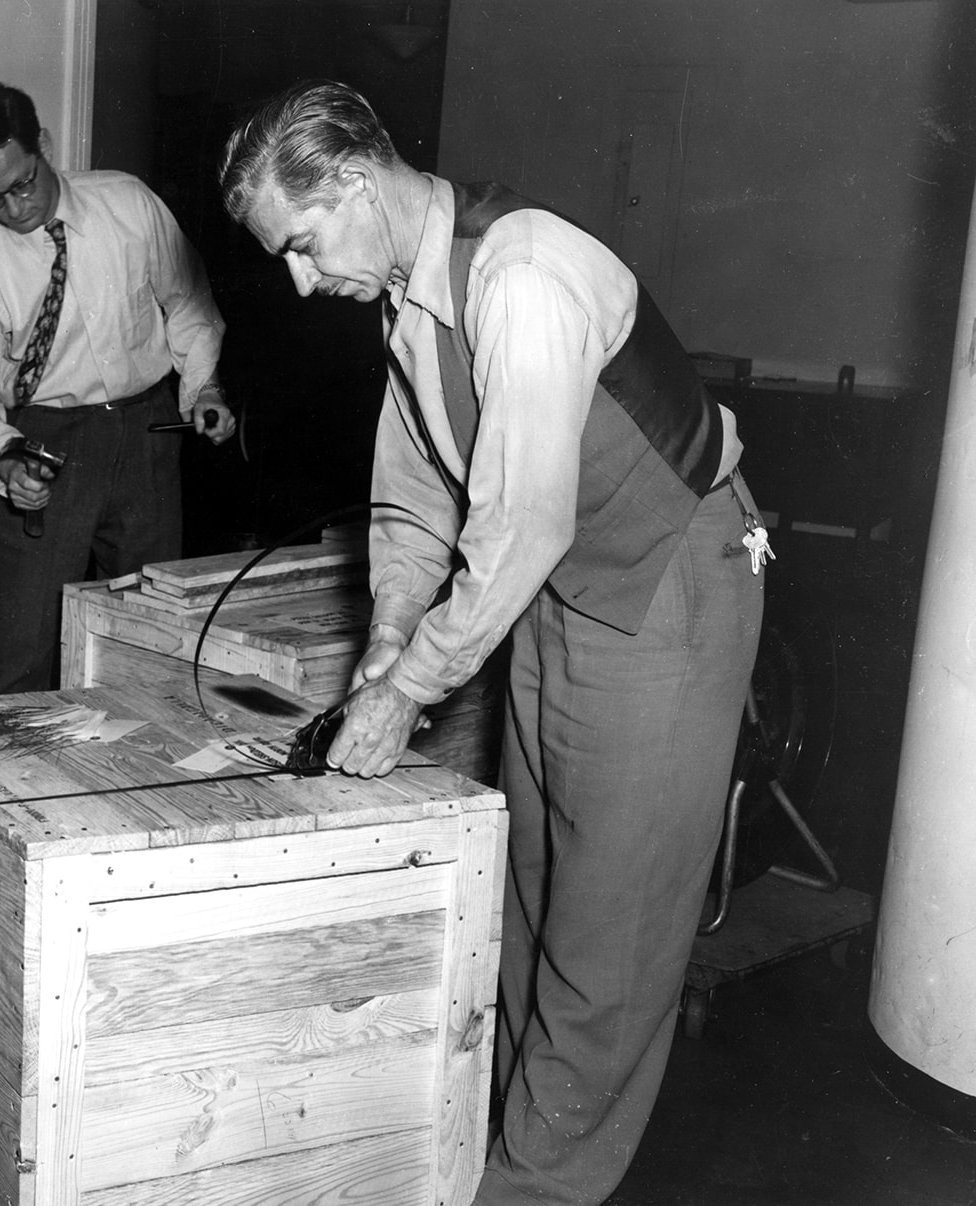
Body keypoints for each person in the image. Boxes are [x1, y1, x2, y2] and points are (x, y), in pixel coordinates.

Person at [218, 80, 765, 1205]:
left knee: (609, 929)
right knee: (533, 884)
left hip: (671, 571)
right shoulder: (406, 298)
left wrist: (409, 690)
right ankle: (497, 1144)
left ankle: (534, 1190)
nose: (300, 281)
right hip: (556, 583)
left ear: (356, 182)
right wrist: (387, 641)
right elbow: (417, 497)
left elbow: (519, 523)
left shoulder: (520, 273)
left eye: (303, 245)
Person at [0, 82, 234, 694]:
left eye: (22, 183)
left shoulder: (128, 204)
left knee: (151, 631)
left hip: (146, 434)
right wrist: (6, 459)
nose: (14, 209)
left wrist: (204, 388)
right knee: (18, 644)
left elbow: (188, 301)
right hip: (44, 446)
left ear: (43, 146)